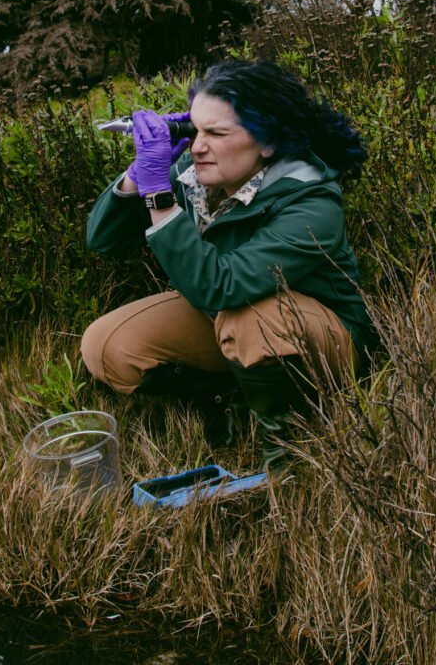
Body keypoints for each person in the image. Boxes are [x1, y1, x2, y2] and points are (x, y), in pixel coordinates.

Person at [81, 59, 374, 466]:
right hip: (230, 319)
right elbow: (103, 240)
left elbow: (225, 286)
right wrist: (139, 174)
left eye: (216, 133)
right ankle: (234, 398)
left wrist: (159, 199)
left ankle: (288, 452)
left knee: (252, 320)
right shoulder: (199, 171)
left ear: (267, 142)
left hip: (323, 339)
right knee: (107, 346)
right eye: (194, 129)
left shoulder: (310, 201)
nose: (198, 145)